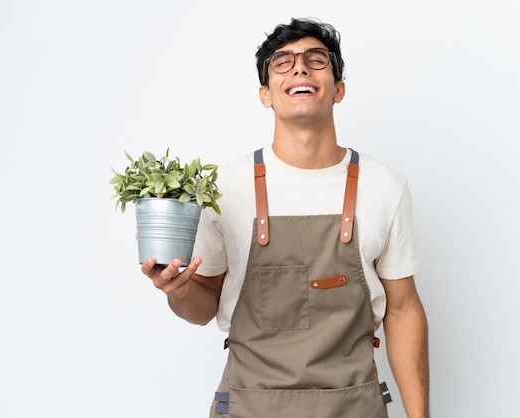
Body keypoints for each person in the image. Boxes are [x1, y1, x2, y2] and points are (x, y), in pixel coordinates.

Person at [142, 17, 429, 418]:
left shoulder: (386, 187)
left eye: (316, 60)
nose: (300, 68)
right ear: (265, 94)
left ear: (338, 89)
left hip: (353, 407)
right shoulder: (223, 187)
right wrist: (177, 291)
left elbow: (402, 310)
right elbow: (202, 306)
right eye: (283, 62)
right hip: (248, 407)